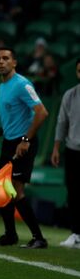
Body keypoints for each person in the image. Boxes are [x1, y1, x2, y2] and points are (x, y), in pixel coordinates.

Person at [0, 47, 49, 248]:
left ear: (14, 62)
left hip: (24, 142)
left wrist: (25, 140)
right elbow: (13, 113)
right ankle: (10, 235)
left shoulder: (23, 84)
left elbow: (42, 112)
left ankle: (39, 238)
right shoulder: (1, 87)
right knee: (4, 189)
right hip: (9, 141)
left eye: (5, 58)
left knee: (17, 189)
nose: (1, 62)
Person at [50, 58, 80, 248]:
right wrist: (56, 147)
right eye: (79, 71)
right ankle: (76, 233)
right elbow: (62, 122)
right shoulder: (70, 95)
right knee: (74, 193)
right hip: (73, 150)